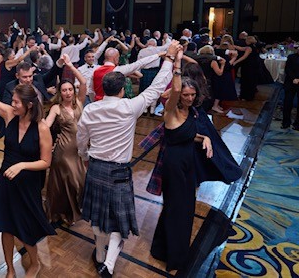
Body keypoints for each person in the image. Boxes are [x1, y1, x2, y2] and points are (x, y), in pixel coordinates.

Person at [76, 41, 181, 278]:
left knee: (97, 217)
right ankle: (109, 264)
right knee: (116, 220)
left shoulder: (90, 110)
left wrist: (84, 157)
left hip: (95, 168)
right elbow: (156, 87)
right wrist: (168, 60)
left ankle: (100, 256)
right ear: (122, 90)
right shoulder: (130, 107)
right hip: (119, 171)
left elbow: (81, 140)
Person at [0, 55, 55, 278]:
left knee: (26, 228)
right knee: (6, 225)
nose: (12, 104)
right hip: (6, 180)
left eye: (16, 102)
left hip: (27, 183)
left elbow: (46, 162)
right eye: (12, 101)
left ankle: (35, 263)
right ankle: (10, 269)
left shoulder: (42, 128)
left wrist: (21, 166)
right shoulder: (10, 115)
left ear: (29, 105)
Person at [150, 53, 213, 272]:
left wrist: (204, 138)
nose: (189, 98)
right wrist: (177, 64)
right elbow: (174, 91)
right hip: (173, 165)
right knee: (177, 208)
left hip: (188, 165)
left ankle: (161, 248)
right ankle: (175, 257)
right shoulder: (171, 112)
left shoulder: (191, 112)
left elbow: (186, 135)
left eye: (192, 94)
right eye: (186, 95)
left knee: (184, 207)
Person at [44, 56, 88, 224]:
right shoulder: (56, 108)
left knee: (79, 182)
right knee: (69, 183)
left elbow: (83, 82)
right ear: (60, 93)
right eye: (64, 90)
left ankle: (70, 212)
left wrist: (70, 66)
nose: (68, 92)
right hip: (63, 151)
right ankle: (63, 214)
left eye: (70, 89)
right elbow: (46, 125)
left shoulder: (79, 102)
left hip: (79, 150)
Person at [282, 52, 299, 130]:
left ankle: (297, 124)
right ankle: (286, 122)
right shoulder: (291, 57)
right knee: (287, 102)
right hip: (290, 81)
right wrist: (293, 78)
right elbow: (287, 69)